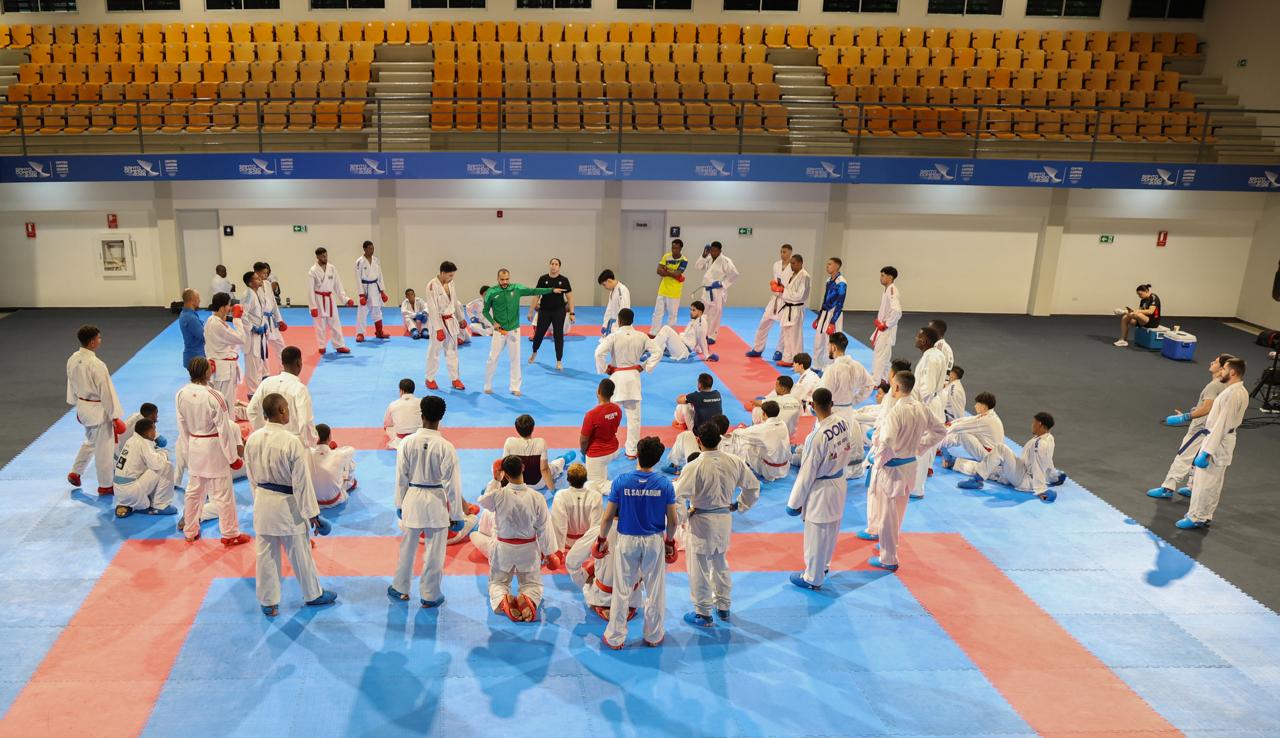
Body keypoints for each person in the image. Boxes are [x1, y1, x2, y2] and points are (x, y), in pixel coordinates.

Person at [246, 392, 336, 618]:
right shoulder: (290, 442)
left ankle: (268, 602)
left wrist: (257, 499)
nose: (289, 411)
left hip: (263, 501)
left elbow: (251, 477)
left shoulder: (253, 439)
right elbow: (302, 484)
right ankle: (312, 594)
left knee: (266, 554)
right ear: (281, 411)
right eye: (286, 407)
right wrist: (313, 516)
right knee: (300, 551)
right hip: (287, 505)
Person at [597, 436, 679, 649]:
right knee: (655, 590)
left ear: (638, 454)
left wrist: (601, 539)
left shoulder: (621, 481)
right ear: (657, 459)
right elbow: (673, 520)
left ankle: (615, 637)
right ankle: (653, 635)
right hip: (653, 540)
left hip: (627, 540)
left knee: (622, 589)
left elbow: (607, 517)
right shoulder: (664, 484)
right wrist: (670, 542)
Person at [676, 423, 760, 626]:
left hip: (701, 520)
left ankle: (703, 613)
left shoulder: (693, 466)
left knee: (699, 567)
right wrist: (739, 505)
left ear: (698, 441)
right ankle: (723, 607)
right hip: (724, 518)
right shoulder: (734, 461)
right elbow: (753, 487)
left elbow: (678, 496)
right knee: (720, 562)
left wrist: (683, 516)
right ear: (720, 440)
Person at [389, 395, 466, 607]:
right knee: (435, 552)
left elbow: (401, 477)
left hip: (412, 497)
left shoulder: (406, 442)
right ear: (441, 418)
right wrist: (457, 515)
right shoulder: (446, 447)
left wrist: (399, 504)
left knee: (407, 548)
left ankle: (400, 588)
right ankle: (430, 594)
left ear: (421, 415)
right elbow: (453, 485)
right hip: (437, 501)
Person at [866, 371, 946, 572]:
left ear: (897, 387)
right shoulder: (921, 408)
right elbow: (941, 431)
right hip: (910, 465)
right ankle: (890, 543)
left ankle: (889, 557)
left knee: (887, 514)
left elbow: (886, 442)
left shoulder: (896, 412)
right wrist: (919, 446)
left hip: (893, 468)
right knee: (898, 511)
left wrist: (876, 461)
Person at [786, 388, 856, 590]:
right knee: (832, 529)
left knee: (815, 534)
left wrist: (794, 503)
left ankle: (812, 578)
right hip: (839, 480)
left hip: (822, 487)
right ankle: (823, 567)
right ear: (831, 404)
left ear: (813, 406)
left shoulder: (816, 437)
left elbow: (807, 473)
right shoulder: (843, 422)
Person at [175, 357, 247, 545]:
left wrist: (186, 450)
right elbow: (224, 430)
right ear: (207, 372)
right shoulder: (214, 396)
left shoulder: (181, 394)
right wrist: (233, 458)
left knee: (194, 492)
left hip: (194, 446)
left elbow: (182, 426)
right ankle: (230, 534)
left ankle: (190, 530)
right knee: (223, 494)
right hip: (214, 447)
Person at [479, 455, 554, 622]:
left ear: (504, 475)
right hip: (528, 549)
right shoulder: (537, 497)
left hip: (503, 548)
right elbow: (544, 527)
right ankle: (528, 599)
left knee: (498, 583)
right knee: (532, 584)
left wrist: (495, 481)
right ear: (523, 468)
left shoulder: (498, 495)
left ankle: (503, 599)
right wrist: (549, 553)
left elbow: (482, 501)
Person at [1149, 354, 1233, 500]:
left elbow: (1207, 407)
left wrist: (1185, 417)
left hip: (1200, 428)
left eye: (1216, 362)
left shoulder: (1214, 385)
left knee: (1184, 456)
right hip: (1215, 430)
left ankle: (1167, 488)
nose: (1212, 362)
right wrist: (1196, 411)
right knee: (1199, 458)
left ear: (1221, 369)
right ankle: (1192, 486)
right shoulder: (1229, 386)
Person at [1178, 357, 1249, 529]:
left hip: (1217, 441)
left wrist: (1207, 451)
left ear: (1232, 372)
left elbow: (1221, 424)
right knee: (1213, 482)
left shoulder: (1233, 394)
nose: (1220, 372)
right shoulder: (1239, 391)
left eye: (1224, 369)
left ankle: (1195, 517)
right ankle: (1205, 515)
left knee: (1204, 482)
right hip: (1221, 440)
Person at [66, 325, 127, 496]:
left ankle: (75, 472)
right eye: (99, 338)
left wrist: (76, 403)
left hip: (83, 406)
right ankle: (106, 485)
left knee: (91, 441)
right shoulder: (97, 364)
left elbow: (71, 382)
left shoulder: (72, 358)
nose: (101, 340)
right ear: (93, 342)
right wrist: (114, 417)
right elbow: (106, 392)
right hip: (98, 410)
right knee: (104, 450)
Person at [956, 412, 1065, 503]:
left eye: (1034, 423)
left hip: (1023, 479)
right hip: (1023, 472)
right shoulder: (1049, 438)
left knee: (1000, 449)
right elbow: (1047, 460)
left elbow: (1038, 466)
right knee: (993, 468)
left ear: (1040, 424)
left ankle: (976, 480)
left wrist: (1042, 492)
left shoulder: (1040, 444)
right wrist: (1054, 476)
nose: (1032, 425)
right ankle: (953, 463)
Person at [595, 308, 661, 458]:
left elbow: (599, 353)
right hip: (633, 378)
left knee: (609, 416)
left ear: (619, 320)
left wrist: (605, 368)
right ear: (632, 320)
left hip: (616, 378)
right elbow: (658, 351)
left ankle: (607, 447)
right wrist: (645, 366)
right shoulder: (641, 336)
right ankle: (631, 451)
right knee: (634, 419)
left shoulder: (613, 336)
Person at [483, 268, 559, 396]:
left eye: (507, 279)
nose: (505, 281)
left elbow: (533, 290)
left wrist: (551, 290)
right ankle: (488, 385)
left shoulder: (516, 289)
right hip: (499, 331)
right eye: (502, 279)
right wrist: (493, 322)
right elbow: (485, 311)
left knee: (515, 359)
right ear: (498, 279)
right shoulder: (491, 292)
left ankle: (515, 387)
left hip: (514, 329)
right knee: (492, 358)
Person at [819, 332, 874, 464]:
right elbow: (869, 384)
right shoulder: (857, 365)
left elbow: (822, 393)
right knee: (845, 443)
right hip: (848, 410)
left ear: (833, 347)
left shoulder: (832, 369)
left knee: (828, 444)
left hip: (832, 412)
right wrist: (854, 400)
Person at [246, 346, 318, 448]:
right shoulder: (299, 389)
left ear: (282, 363)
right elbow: (306, 422)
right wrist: (310, 446)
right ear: (299, 363)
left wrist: (263, 431)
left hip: (269, 441)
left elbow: (251, 410)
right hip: (293, 444)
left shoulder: (267, 382)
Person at [910, 326, 948, 498]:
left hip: (928, 403)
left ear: (924, 341)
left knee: (921, 445)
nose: (916, 339)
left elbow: (927, 388)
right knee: (926, 447)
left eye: (918, 336)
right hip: (935, 401)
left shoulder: (931, 359)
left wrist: (919, 408)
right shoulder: (937, 354)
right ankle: (918, 484)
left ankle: (916, 488)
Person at [112, 417, 176, 518]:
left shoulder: (131, 440)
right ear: (149, 432)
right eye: (154, 429)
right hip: (132, 491)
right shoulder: (143, 443)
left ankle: (128, 505)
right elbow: (157, 464)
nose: (156, 432)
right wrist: (163, 453)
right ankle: (160, 505)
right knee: (166, 466)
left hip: (119, 492)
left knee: (147, 467)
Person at [503, 413, 575, 492]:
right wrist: (553, 490)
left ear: (516, 429)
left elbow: (504, 466)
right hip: (538, 484)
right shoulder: (540, 442)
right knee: (553, 467)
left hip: (516, 484)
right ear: (533, 428)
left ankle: (560, 460)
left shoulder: (509, 442)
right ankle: (562, 459)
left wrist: (501, 486)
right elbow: (544, 469)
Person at [747, 243, 795, 360]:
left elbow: (793, 285)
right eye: (781, 252)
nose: (783, 254)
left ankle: (779, 351)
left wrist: (783, 289)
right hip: (774, 299)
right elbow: (775, 280)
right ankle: (758, 348)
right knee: (763, 323)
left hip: (785, 301)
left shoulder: (793, 267)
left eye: (785, 252)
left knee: (784, 328)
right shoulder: (776, 265)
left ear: (790, 253)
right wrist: (774, 285)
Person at [425, 261, 467, 391]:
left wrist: (461, 318)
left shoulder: (451, 283)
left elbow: (455, 301)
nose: (452, 278)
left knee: (452, 350)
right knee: (435, 351)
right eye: (450, 275)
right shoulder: (432, 286)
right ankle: (430, 378)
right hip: (437, 320)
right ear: (442, 273)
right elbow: (432, 308)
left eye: (453, 275)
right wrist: (438, 329)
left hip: (451, 319)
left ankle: (455, 378)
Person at [724, 401, 792, 481]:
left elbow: (740, 433)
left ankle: (740, 467)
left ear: (763, 414)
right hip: (785, 468)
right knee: (760, 442)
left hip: (770, 471)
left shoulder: (762, 429)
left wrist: (740, 428)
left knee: (745, 442)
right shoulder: (783, 424)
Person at [528, 258, 574, 370]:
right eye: (552, 264)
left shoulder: (564, 280)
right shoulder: (543, 279)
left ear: (559, 267)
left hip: (559, 311)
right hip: (544, 311)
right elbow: (536, 295)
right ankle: (534, 352)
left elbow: (570, 297)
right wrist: (530, 311)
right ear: (549, 265)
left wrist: (572, 312)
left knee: (558, 335)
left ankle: (559, 360)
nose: (554, 266)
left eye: (556, 264)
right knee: (539, 334)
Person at [307, 247, 354, 355]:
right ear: (317, 257)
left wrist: (345, 299)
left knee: (335, 323)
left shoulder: (332, 268)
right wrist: (312, 307)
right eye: (323, 256)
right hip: (319, 299)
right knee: (320, 325)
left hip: (330, 299)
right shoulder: (312, 271)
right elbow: (310, 290)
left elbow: (338, 286)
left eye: (326, 255)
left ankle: (339, 345)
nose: (325, 258)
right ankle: (321, 346)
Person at [549, 463, 601, 557]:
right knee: (593, 485)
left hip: (567, 542)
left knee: (551, 518)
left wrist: (559, 550)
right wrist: (594, 545)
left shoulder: (560, 496)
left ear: (568, 480)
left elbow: (559, 525)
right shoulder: (595, 496)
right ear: (585, 479)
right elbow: (596, 525)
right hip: (587, 542)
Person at [939, 392, 1004, 468]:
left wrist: (941, 431)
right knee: (964, 432)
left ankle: (940, 445)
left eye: (977, 404)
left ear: (984, 407)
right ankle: (940, 444)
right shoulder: (989, 415)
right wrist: (947, 425)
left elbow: (960, 426)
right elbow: (965, 420)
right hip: (992, 454)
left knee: (963, 434)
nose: (975, 406)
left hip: (989, 457)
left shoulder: (986, 420)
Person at [694, 241, 740, 343]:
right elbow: (697, 266)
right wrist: (703, 255)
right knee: (704, 312)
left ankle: (712, 336)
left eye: (715, 251)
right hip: (706, 290)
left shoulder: (725, 261)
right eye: (711, 251)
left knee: (715, 313)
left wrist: (722, 283)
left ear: (720, 250)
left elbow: (735, 274)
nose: (713, 253)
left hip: (717, 291)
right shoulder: (708, 258)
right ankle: (703, 333)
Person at [204, 292, 244, 404]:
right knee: (226, 403)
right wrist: (237, 320)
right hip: (224, 369)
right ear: (222, 308)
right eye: (228, 305)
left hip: (218, 366)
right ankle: (228, 421)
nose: (230, 308)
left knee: (220, 401)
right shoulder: (218, 325)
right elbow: (241, 338)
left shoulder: (211, 320)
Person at [580, 379, 623, 485]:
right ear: (612, 394)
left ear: (598, 391)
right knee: (601, 468)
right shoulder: (617, 409)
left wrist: (583, 451)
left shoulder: (591, 415)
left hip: (598, 454)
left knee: (595, 485)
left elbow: (584, 440)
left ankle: (621, 489)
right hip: (614, 449)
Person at [773, 254, 811, 367]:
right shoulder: (793, 274)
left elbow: (799, 295)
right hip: (788, 307)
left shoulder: (804, 276)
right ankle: (788, 359)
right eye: (791, 263)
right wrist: (780, 289)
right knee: (787, 335)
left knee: (795, 337)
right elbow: (789, 290)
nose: (792, 265)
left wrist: (783, 291)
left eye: (794, 263)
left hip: (796, 309)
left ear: (800, 263)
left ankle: (799, 361)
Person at [811, 257, 848, 370]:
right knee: (818, 341)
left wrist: (833, 321)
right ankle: (817, 365)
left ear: (837, 266)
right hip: (824, 313)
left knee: (831, 342)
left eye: (830, 264)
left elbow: (840, 303)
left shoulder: (841, 282)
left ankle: (830, 368)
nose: (827, 266)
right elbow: (825, 299)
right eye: (827, 264)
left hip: (833, 314)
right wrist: (819, 317)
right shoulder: (828, 280)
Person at [649, 300, 715, 362]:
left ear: (700, 312)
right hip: (681, 346)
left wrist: (706, 355)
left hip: (683, 350)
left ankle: (650, 352)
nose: (691, 312)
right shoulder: (694, 320)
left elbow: (702, 339)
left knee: (666, 329)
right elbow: (693, 338)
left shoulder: (701, 322)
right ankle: (649, 349)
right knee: (662, 339)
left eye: (694, 310)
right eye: (691, 310)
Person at [252, 262, 288, 370]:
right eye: (263, 273)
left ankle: (283, 369)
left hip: (271, 321)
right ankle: (264, 373)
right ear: (256, 273)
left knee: (280, 344)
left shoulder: (267, 284)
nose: (266, 276)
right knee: (262, 348)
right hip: (260, 321)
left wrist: (279, 319)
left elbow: (273, 303)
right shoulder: (252, 288)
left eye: (266, 273)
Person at [241, 271, 272, 395]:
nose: (260, 279)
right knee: (252, 367)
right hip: (251, 335)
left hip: (260, 334)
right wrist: (253, 327)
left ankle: (258, 392)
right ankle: (252, 394)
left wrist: (264, 324)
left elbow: (260, 313)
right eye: (257, 279)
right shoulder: (247, 295)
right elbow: (243, 315)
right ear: (250, 283)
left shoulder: (257, 293)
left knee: (259, 364)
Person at [870, 266, 902, 386]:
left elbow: (897, 311)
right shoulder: (888, 289)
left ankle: (875, 381)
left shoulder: (892, 290)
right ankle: (883, 378)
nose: (881, 278)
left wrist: (886, 324)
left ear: (890, 277)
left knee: (879, 355)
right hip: (884, 328)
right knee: (885, 355)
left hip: (886, 329)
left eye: (883, 275)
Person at [311, 423, 356, 508]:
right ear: (329, 438)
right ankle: (350, 483)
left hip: (313, 502)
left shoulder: (307, 453)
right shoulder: (339, 454)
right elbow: (351, 449)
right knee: (349, 461)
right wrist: (335, 449)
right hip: (335, 499)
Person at [354, 240, 389, 342]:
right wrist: (361, 294)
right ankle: (360, 333)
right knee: (362, 312)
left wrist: (382, 291)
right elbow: (357, 278)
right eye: (370, 248)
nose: (372, 250)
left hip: (375, 287)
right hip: (365, 288)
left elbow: (380, 276)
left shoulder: (376, 260)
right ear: (364, 249)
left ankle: (379, 332)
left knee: (377, 310)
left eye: (373, 248)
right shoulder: (359, 262)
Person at [652, 239, 689, 331]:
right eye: (673, 248)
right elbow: (658, 271)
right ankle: (654, 332)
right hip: (663, 290)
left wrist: (666, 270)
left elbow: (677, 274)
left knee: (672, 315)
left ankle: (669, 334)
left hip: (674, 292)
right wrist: (673, 273)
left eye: (676, 248)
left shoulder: (684, 260)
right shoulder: (666, 256)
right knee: (657, 312)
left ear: (680, 248)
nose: (674, 250)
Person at [1114, 283, 1162, 347]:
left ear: (1146, 291)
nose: (1139, 296)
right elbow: (1141, 311)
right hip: (1142, 320)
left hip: (1152, 322)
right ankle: (1123, 340)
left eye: (1140, 294)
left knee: (1137, 314)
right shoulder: (1143, 300)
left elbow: (1151, 311)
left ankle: (1124, 311)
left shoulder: (1154, 297)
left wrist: (1136, 312)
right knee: (1125, 318)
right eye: (1138, 295)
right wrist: (1132, 312)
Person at [383, 378, 421, 449]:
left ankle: (396, 442)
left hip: (401, 440)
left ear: (401, 391)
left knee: (388, 427)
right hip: (419, 438)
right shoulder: (421, 402)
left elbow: (387, 424)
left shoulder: (393, 404)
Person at [598, 269, 630, 336]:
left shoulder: (622, 290)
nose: (604, 287)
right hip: (613, 325)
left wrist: (621, 328)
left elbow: (625, 310)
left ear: (609, 280)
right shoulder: (612, 291)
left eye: (604, 285)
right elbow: (609, 309)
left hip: (621, 326)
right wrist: (605, 325)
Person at [179, 289, 205, 371]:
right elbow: (204, 336)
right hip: (196, 358)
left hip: (194, 355)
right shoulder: (190, 318)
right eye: (197, 298)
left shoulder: (186, 314)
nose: (199, 300)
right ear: (192, 301)